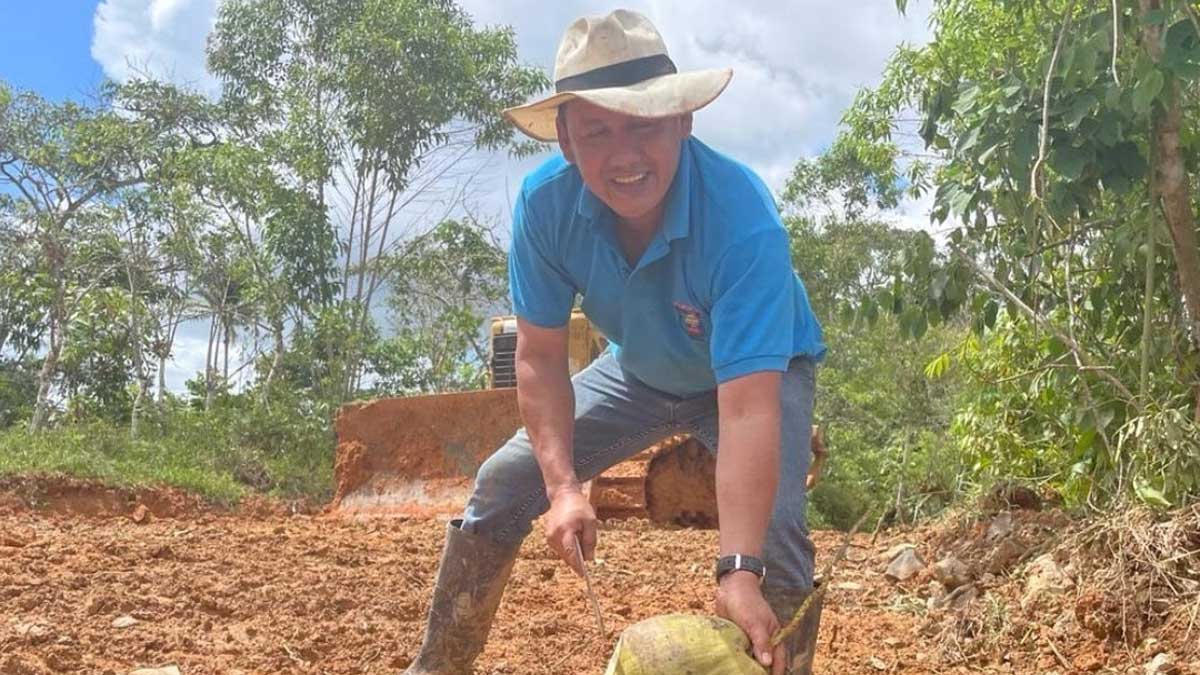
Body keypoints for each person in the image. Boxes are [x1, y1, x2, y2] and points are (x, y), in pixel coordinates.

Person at [404, 9, 826, 675]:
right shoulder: (544, 209)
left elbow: (748, 408)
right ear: (566, 141)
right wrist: (565, 485)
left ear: (683, 120)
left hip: (751, 377)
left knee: (776, 536)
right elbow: (540, 358)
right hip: (639, 369)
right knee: (501, 484)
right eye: (597, 131)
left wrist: (737, 571)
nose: (625, 155)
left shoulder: (744, 221)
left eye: (644, 125)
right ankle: (437, 666)